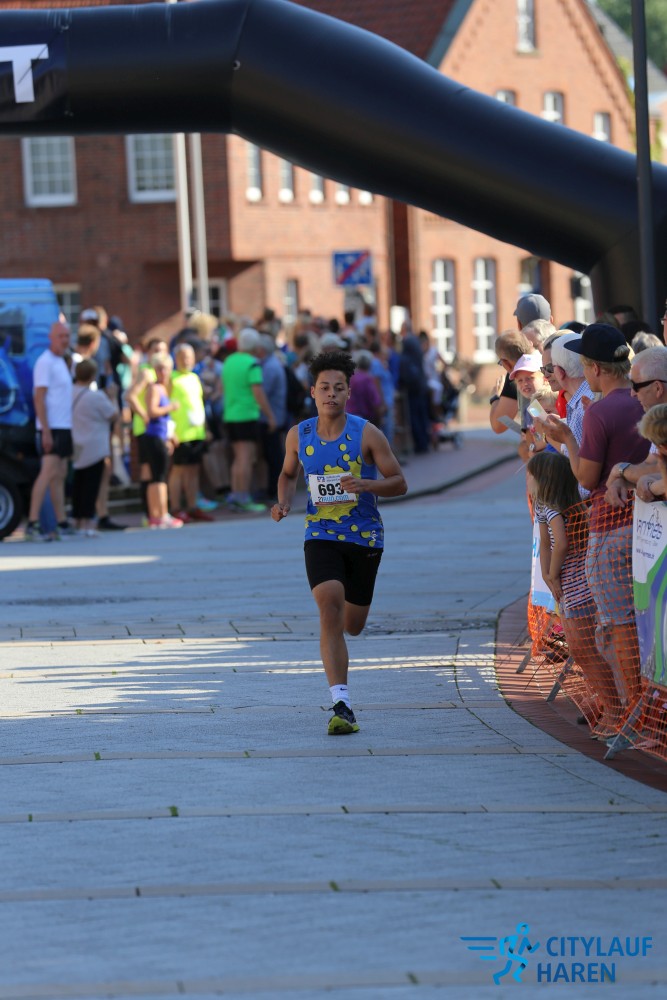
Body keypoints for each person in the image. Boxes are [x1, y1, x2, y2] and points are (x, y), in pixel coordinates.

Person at [271, 350, 407, 735]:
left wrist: (367, 484)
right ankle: (341, 704)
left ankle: (348, 621)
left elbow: (399, 482)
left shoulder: (367, 433)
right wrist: (283, 502)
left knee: (354, 624)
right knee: (329, 606)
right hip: (320, 534)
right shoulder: (299, 435)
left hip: (365, 536)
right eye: (324, 387)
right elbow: (287, 474)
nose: (331, 394)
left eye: (339, 388)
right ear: (312, 392)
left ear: (349, 392)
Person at [542, 323, 650, 726]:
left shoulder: (601, 411)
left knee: (619, 625)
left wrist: (567, 438)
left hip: (608, 526)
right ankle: (643, 709)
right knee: (645, 623)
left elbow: (586, 479)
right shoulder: (642, 401)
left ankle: (633, 711)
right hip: (645, 526)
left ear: (595, 368)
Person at [526, 450, 624, 734]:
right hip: (565, 583)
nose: (527, 480)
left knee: (585, 647)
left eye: (531, 475)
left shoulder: (555, 507)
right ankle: (606, 703)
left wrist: (553, 574)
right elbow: (545, 543)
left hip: (579, 583)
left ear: (545, 480)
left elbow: (562, 544)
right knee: (579, 648)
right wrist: (548, 575)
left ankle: (614, 707)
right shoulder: (543, 505)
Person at [25, 321, 76, 541]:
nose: (64, 340)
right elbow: (39, 398)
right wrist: (45, 431)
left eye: (67, 336)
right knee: (47, 473)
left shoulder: (61, 362)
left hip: (64, 426)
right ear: (51, 337)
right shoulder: (44, 362)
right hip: (51, 427)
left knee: (59, 474)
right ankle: (33, 524)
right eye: (60, 336)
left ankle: (61, 522)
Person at [604, 345, 667, 506]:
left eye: (636, 386)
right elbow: (652, 464)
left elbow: (657, 472)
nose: (632, 393)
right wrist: (622, 479)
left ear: (658, 388)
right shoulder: (658, 417)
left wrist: (621, 470)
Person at [222, 327, 276, 512]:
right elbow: (258, 392)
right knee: (246, 457)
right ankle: (243, 496)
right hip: (246, 415)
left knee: (238, 457)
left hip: (230, 415)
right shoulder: (252, 363)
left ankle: (236, 495)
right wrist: (270, 415)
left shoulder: (229, 361)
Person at [71, 359, 119, 536]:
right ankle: (87, 523)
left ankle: (77, 522)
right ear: (92, 376)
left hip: (77, 444)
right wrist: (112, 397)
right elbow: (114, 415)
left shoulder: (70, 392)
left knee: (79, 484)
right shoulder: (95, 396)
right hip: (95, 447)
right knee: (91, 485)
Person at [168, 343, 214, 523]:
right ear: (176, 358)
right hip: (180, 434)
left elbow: (199, 405)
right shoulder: (171, 378)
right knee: (178, 470)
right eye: (183, 357)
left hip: (197, 433)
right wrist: (171, 432)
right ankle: (175, 508)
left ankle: (192, 506)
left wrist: (206, 428)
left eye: (189, 357)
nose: (186, 360)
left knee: (194, 471)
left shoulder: (195, 377)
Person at [144, 353, 183, 528]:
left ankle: (157, 515)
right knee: (159, 477)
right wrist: (170, 407)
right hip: (155, 436)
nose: (163, 372)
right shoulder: (154, 388)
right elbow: (152, 411)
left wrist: (171, 435)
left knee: (158, 477)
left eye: (165, 369)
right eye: (159, 369)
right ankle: (161, 514)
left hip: (160, 435)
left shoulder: (163, 388)